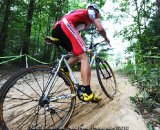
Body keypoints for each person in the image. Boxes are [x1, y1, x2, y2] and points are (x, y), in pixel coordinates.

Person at [52, 4, 110, 102]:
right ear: (96, 12)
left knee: (78, 54)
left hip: (57, 28)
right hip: (65, 25)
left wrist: (83, 48)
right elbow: (100, 29)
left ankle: (64, 69)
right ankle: (86, 91)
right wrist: (106, 38)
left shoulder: (80, 14)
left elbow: (75, 34)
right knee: (84, 57)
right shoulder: (92, 12)